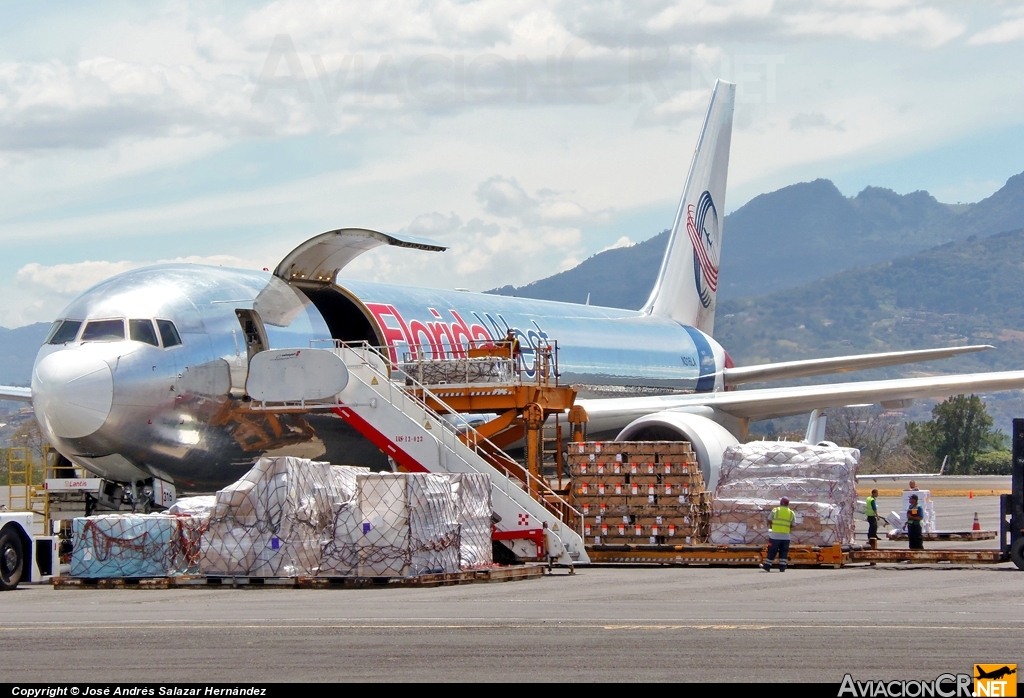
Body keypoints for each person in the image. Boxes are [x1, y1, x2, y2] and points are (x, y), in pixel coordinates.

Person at [762, 497, 796, 572]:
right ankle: (782, 567)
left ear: (781, 503)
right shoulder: (791, 512)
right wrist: (787, 528)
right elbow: (793, 524)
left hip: (775, 535)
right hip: (786, 536)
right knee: (784, 551)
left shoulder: (775, 510)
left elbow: (769, 519)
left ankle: (767, 566)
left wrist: (772, 526)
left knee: (772, 550)